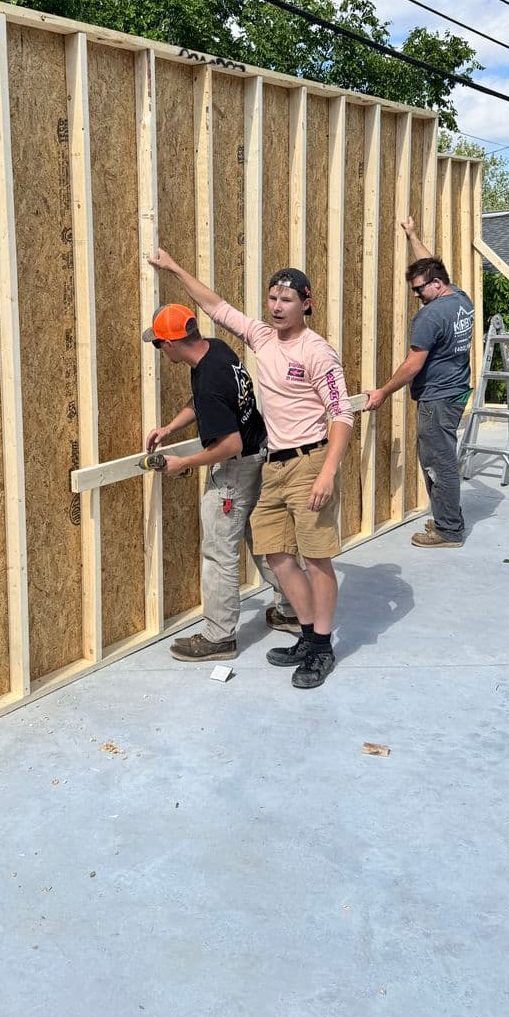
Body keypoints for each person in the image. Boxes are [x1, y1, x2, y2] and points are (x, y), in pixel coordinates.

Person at [148, 253, 353, 690]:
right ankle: (305, 629)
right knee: (277, 555)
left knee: (316, 559)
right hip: (275, 463)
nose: (277, 306)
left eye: (287, 299)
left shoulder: (317, 352)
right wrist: (174, 267)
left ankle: (321, 646)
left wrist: (328, 472)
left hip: (310, 460)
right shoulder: (260, 337)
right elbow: (216, 306)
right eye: (272, 298)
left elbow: (342, 413)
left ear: (306, 303)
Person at [141, 303, 296, 662]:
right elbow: (202, 404)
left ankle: (219, 636)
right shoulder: (215, 351)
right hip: (260, 456)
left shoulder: (208, 378)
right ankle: (291, 609)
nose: (160, 350)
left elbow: (229, 444)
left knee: (219, 553)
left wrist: (185, 463)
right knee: (263, 539)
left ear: (173, 343)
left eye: (159, 344)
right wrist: (170, 428)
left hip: (236, 467)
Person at [363, 215, 474, 548]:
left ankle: (448, 530)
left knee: (439, 463)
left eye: (418, 290)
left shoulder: (430, 315)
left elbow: (413, 365)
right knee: (441, 458)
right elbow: (430, 265)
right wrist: (413, 236)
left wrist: (383, 391)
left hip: (437, 399)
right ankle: (446, 517)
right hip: (456, 392)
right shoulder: (460, 299)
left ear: (435, 285)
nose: (415, 296)